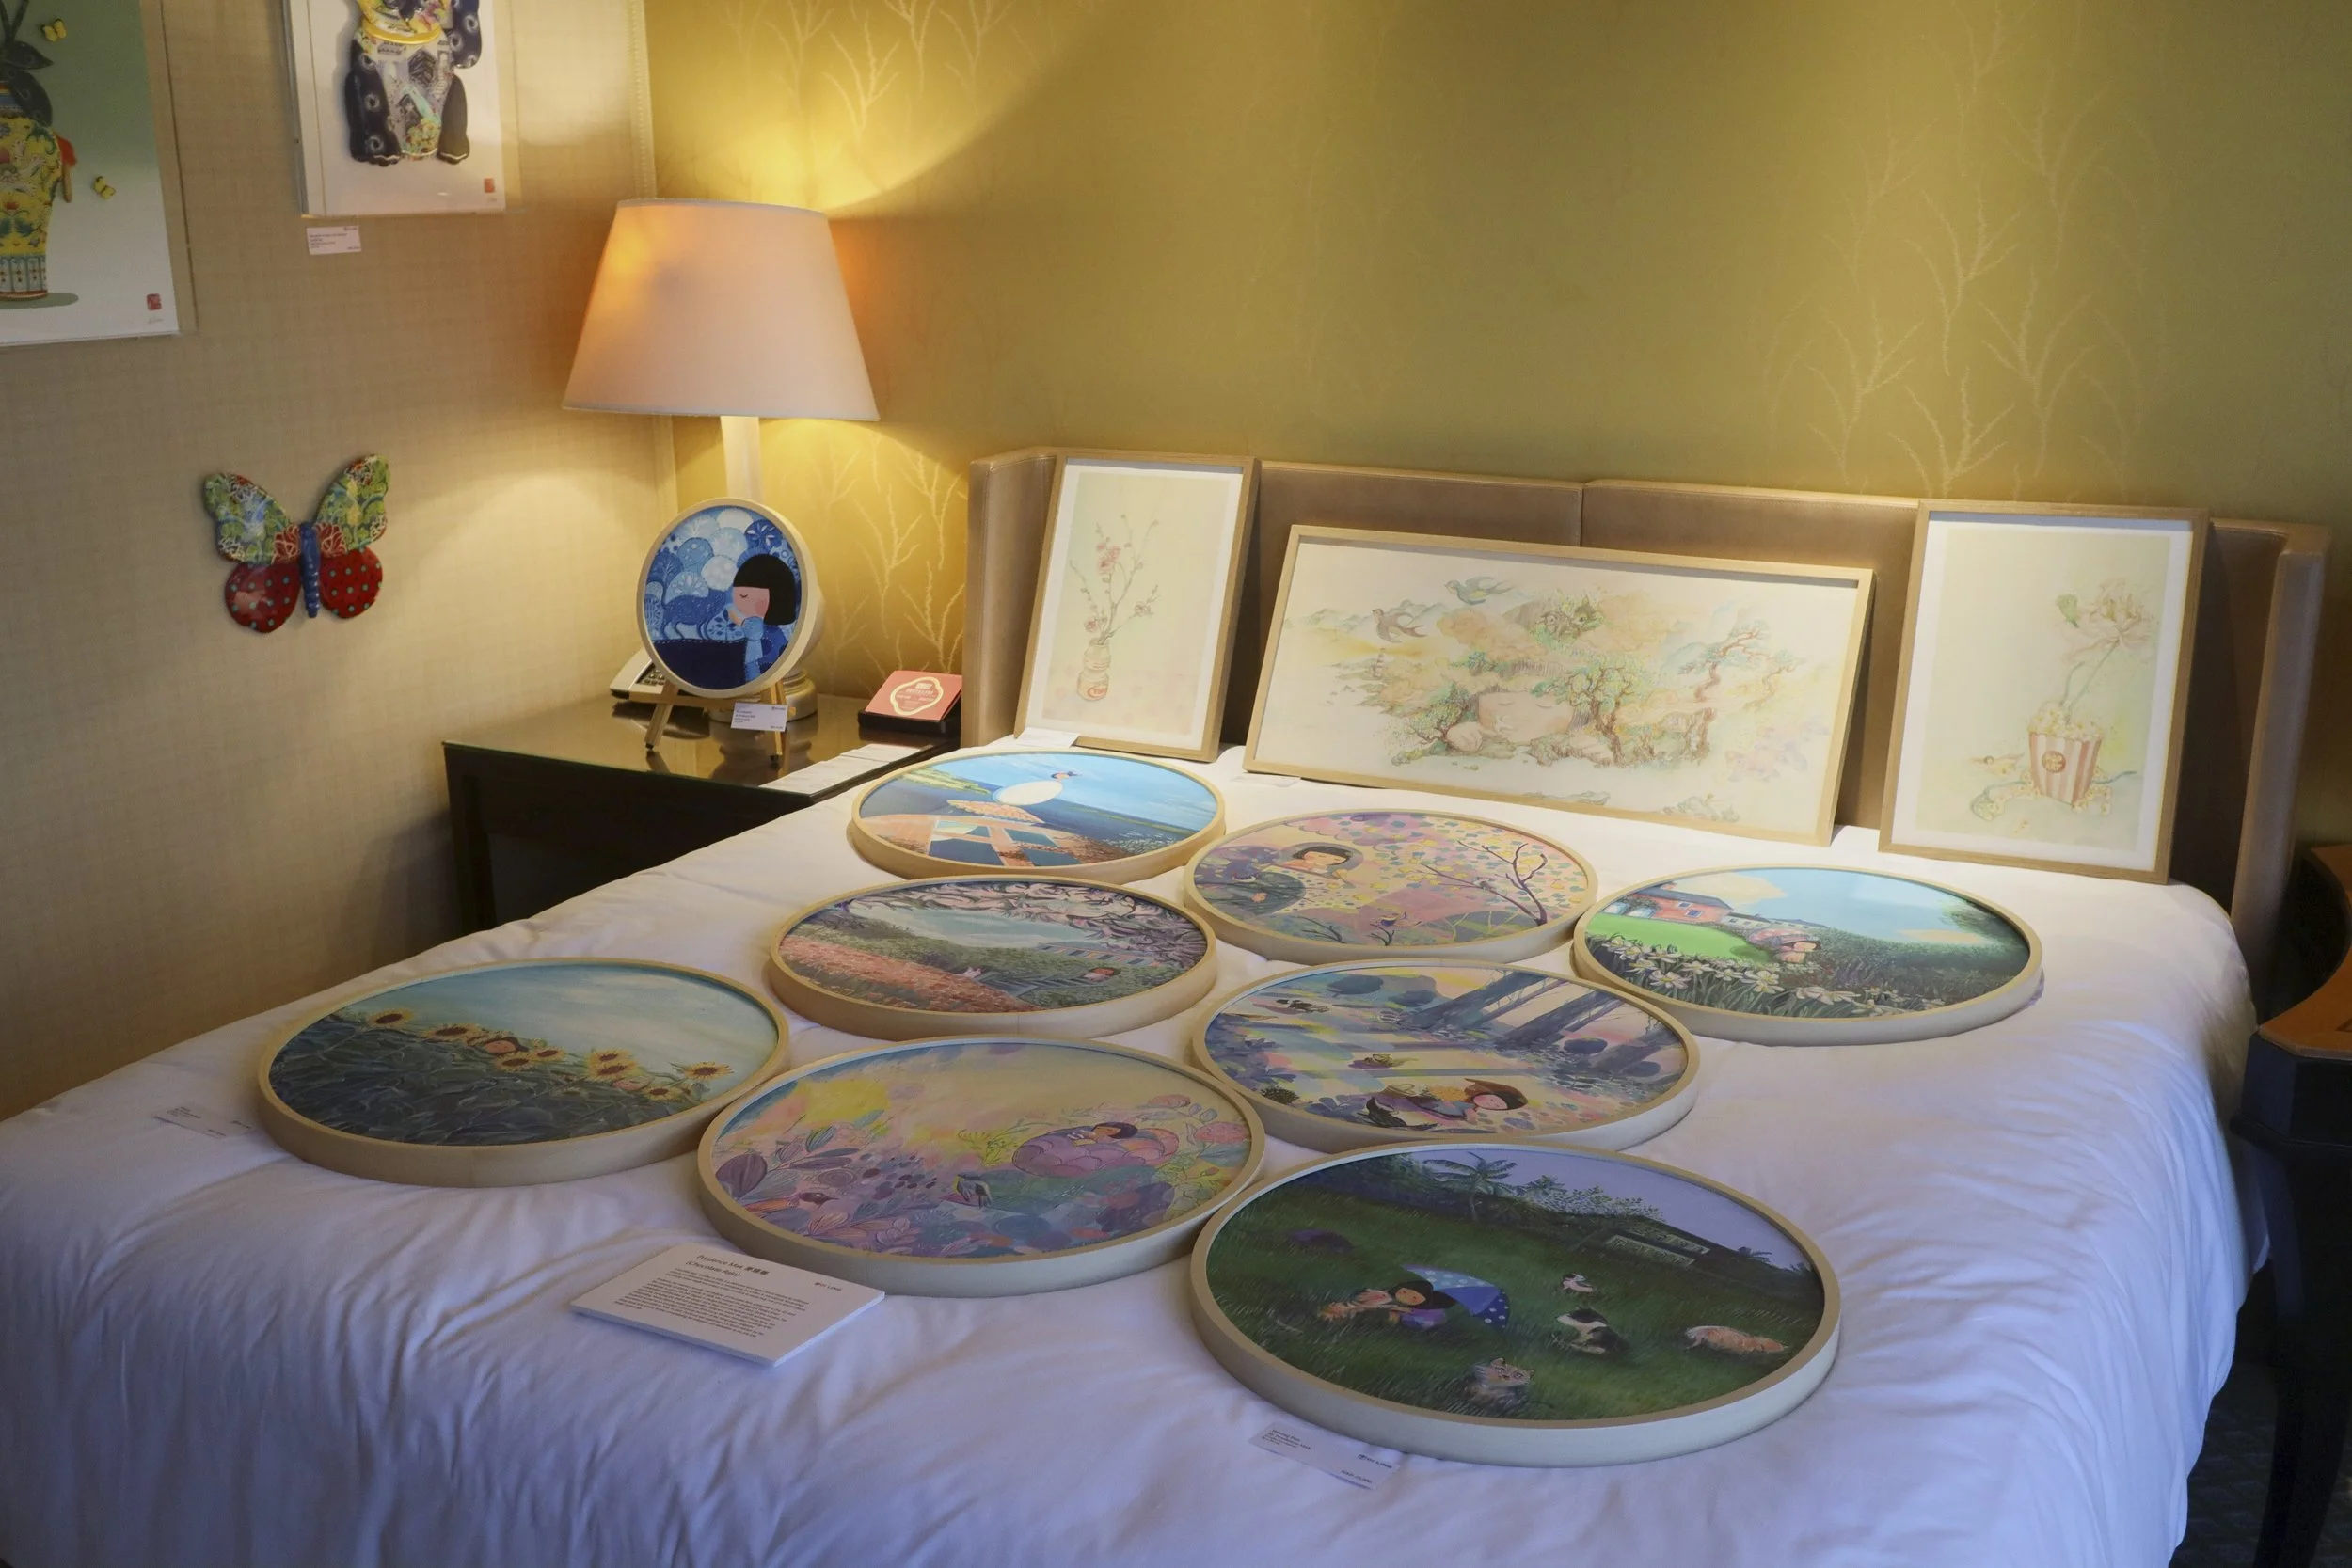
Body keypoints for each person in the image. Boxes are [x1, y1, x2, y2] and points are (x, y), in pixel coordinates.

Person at [726, 553, 801, 684]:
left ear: (773, 597)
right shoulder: (774, 630)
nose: (738, 602)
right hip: (764, 663)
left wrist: (732, 613)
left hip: (761, 664)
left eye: (743, 596)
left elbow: (746, 626)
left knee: (753, 672)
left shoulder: (758, 625)